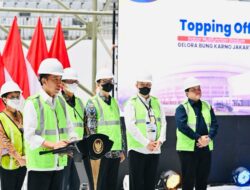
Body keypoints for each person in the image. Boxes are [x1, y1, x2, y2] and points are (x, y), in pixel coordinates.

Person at [23, 58, 77, 190]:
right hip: (39, 167)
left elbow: (70, 129)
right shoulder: (33, 103)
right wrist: (54, 145)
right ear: (43, 80)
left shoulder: (61, 102)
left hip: (59, 165)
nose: (60, 84)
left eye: (60, 79)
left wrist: (73, 143)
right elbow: (30, 136)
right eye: (55, 79)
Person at [124, 73, 167, 190]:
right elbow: (130, 126)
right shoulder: (131, 103)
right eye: (142, 84)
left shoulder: (156, 102)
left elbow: (163, 123)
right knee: (136, 185)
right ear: (136, 85)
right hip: (138, 150)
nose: (145, 86)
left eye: (148, 84)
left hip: (154, 150)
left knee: (150, 185)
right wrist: (146, 142)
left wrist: (160, 141)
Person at [175, 77, 219, 190]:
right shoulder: (182, 108)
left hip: (205, 147)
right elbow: (182, 127)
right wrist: (199, 138)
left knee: (202, 180)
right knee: (188, 181)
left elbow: (214, 125)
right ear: (187, 92)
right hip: (188, 150)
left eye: (198, 88)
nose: (197, 91)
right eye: (193, 89)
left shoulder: (207, 106)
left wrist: (208, 139)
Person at [84, 68, 125, 190]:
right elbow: (91, 131)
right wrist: (95, 153)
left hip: (115, 152)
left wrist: (122, 149)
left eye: (110, 81)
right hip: (101, 153)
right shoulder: (92, 103)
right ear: (98, 83)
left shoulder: (114, 102)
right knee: (99, 186)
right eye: (105, 81)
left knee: (111, 185)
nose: (108, 83)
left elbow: (120, 127)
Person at [61, 68, 85, 190]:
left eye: (74, 81)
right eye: (69, 81)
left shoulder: (80, 103)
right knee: (63, 184)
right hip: (65, 151)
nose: (72, 84)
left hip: (79, 151)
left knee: (77, 183)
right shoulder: (58, 102)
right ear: (62, 83)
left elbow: (84, 126)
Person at [0, 81, 26, 190]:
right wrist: (18, 158)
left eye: (17, 96)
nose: (16, 99)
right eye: (12, 97)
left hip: (23, 164)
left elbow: (27, 137)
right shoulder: (1, 118)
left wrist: (25, 158)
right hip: (9, 165)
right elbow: (4, 142)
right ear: (4, 99)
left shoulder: (22, 115)